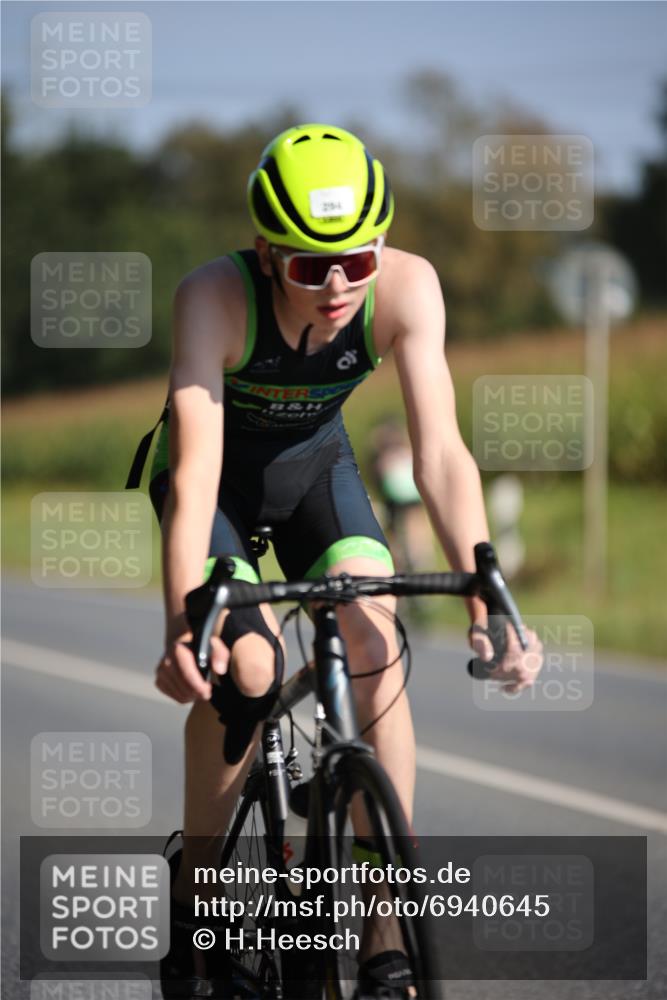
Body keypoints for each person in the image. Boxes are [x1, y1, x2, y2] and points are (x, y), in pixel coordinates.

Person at [138, 123, 543, 997]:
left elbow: (439, 454)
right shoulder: (212, 297)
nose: (335, 287)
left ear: (382, 245)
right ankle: (198, 906)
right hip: (218, 497)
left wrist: (484, 593)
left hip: (319, 477)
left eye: (355, 262)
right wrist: (184, 618)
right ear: (263, 249)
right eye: (308, 265)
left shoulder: (408, 290)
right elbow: (198, 464)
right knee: (249, 667)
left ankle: (383, 939)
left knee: (376, 637)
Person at [368, 416, 433, 574]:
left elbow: (377, 480)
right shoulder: (408, 453)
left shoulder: (383, 459)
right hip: (409, 499)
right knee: (412, 531)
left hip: (399, 500)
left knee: (402, 533)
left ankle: (408, 563)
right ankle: (415, 563)